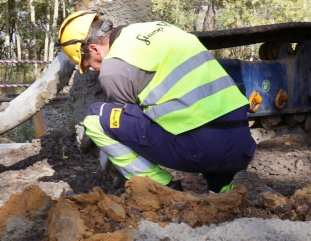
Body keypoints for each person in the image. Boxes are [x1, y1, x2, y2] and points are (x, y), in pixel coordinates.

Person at [58, 10, 256, 193]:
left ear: (94, 49)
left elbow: (131, 132)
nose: (97, 70)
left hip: (202, 150)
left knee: (96, 117)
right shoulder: (158, 28)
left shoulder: (114, 69)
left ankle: (161, 189)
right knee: (219, 200)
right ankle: (221, 192)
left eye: (91, 64)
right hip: (241, 146)